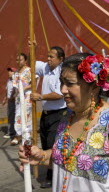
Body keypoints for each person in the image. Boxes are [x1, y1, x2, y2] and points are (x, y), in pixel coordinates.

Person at [19, 53, 109, 192]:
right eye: (62, 82)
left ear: (94, 87)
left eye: (70, 83)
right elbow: (69, 159)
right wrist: (42, 156)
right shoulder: (67, 118)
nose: (63, 89)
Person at [30, 46, 68, 188]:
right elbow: (32, 63)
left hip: (58, 114)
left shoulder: (62, 73)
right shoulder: (46, 67)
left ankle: (53, 177)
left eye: (52, 57)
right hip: (46, 115)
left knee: (53, 146)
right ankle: (51, 174)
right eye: (48, 56)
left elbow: (59, 94)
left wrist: (41, 97)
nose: (49, 59)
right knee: (45, 144)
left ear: (60, 59)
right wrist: (32, 48)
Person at [12, 53, 32, 145]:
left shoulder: (29, 71)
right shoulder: (16, 72)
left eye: (20, 60)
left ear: (25, 61)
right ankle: (18, 135)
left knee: (26, 115)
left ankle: (27, 135)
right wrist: (13, 94)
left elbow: (34, 83)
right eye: (17, 60)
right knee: (18, 116)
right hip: (18, 98)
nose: (18, 62)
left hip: (27, 97)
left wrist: (24, 88)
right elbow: (14, 86)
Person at [2, 67, 16, 139]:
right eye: (9, 71)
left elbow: (17, 91)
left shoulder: (16, 81)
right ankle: (11, 131)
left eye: (11, 71)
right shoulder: (8, 81)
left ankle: (12, 132)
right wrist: (5, 99)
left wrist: (13, 97)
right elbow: (7, 91)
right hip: (10, 101)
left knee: (15, 117)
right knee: (10, 116)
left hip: (15, 101)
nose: (9, 72)